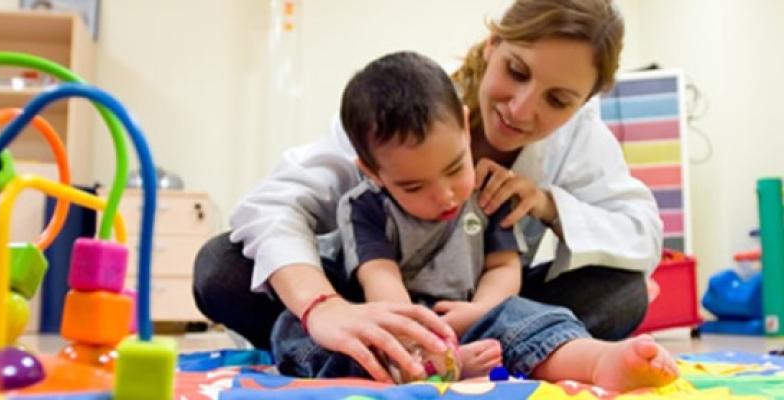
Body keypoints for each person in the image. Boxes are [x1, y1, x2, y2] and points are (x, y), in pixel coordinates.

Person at [193, 0, 663, 384]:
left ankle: (486, 346)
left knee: (624, 292)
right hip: (368, 300)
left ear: (584, 102)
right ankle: (384, 347)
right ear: (493, 44)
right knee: (222, 268)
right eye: (516, 71)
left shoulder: (581, 137)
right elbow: (276, 205)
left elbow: (641, 233)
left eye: (558, 100)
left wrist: (546, 205)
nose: (521, 110)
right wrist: (325, 306)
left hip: (483, 304)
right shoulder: (400, 105)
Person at [270, 51, 677, 390]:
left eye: (454, 169)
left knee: (526, 315)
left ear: (466, 129)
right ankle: (424, 369)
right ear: (373, 172)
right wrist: (424, 341)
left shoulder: (487, 192)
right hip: (392, 318)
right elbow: (381, 281)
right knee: (292, 331)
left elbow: (503, 266)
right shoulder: (364, 206)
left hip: (473, 312)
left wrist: (481, 309)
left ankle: (595, 361)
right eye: (413, 186)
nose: (444, 194)